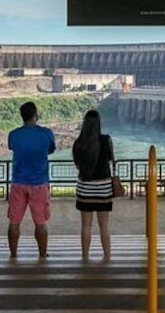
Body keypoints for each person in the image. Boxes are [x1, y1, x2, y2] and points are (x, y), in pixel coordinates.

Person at [7, 101, 56, 258]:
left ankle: (13, 255)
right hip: (39, 183)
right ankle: (42, 254)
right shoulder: (46, 133)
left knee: (14, 222)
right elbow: (51, 149)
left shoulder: (14, 134)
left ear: (21, 116)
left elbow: (12, 147)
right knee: (41, 222)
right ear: (36, 115)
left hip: (18, 182)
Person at [72, 110, 115, 261]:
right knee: (104, 225)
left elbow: (77, 164)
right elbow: (110, 159)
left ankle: (85, 256)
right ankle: (107, 256)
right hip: (103, 188)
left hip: (85, 188)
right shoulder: (106, 140)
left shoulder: (78, 143)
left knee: (86, 225)